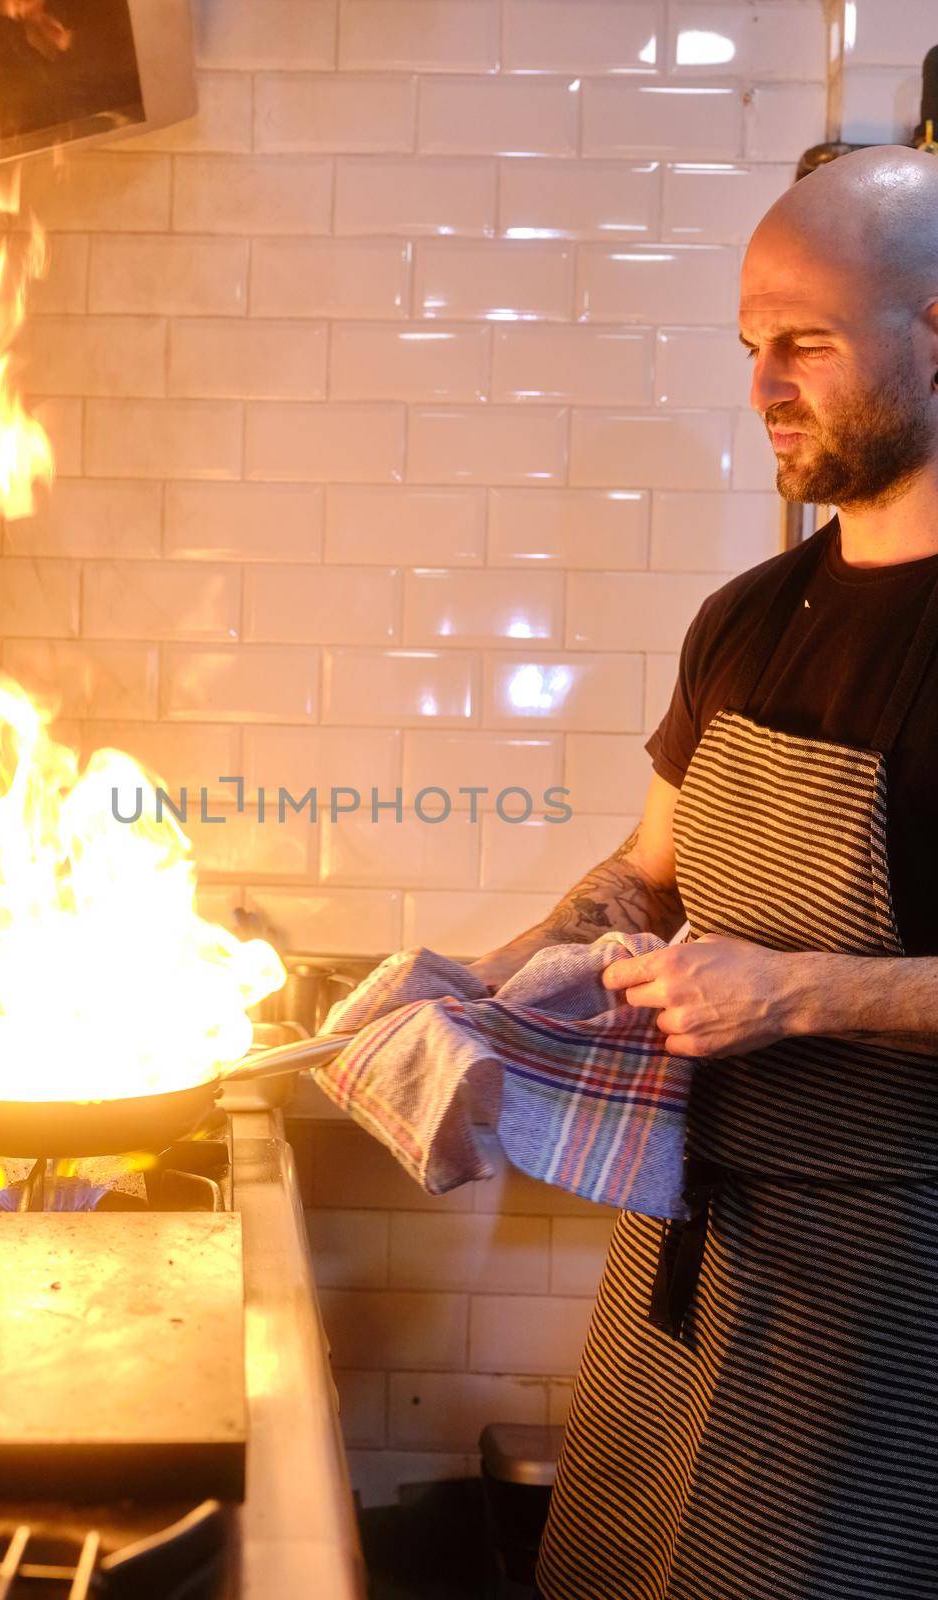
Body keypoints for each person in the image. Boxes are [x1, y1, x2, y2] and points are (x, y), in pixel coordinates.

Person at [466, 145, 938, 1598]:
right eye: (750, 346)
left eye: (805, 342)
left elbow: (778, 979)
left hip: (892, 1299)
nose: (763, 386)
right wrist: (495, 987)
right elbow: (651, 871)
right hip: (696, 1255)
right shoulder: (749, 616)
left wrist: (798, 995)